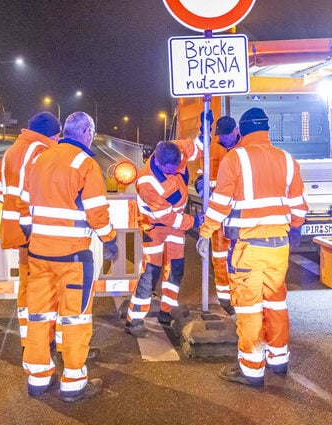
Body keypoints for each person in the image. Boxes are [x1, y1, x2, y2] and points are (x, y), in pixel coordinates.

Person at [197, 107, 308, 388]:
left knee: (248, 308)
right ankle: (279, 359)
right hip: (279, 247)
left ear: (242, 131)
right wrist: (294, 227)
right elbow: (299, 206)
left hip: (248, 246)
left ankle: (251, 369)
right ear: (267, 129)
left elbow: (221, 203)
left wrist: (205, 231)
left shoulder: (235, 158)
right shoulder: (287, 159)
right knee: (276, 302)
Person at [19, 111, 118, 402]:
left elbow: (26, 206)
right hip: (73, 257)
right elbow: (97, 213)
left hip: (39, 255)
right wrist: (110, 241)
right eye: (92, 132)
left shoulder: (40, 159)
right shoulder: (85, 164)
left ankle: (38, 378)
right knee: (74, 318)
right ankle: (73, 383)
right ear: (87, 132)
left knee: (39, 316)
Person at [126, 121, 205, 337]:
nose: (178, 170)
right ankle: (134, 320)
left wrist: (204, 131)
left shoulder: (175, 150)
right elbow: (165, 217)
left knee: (176, 268)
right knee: (151, 272)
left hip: (175, 225)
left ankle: (165, 312)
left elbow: (197, 147)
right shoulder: (147, 182)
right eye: (172, 169)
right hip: (155, 227)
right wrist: (194, 222)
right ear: (159, 164)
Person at [0, 111, 61, 347]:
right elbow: (48, 191)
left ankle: (28, 339)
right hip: (36, 228)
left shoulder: (15, 149)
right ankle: (46, 341)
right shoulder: (41, 151)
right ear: (51, 134)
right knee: (46, 286)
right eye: (57, 135)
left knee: (27, 283)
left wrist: (9, 201)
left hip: (18, 228)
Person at [194, 114, 241, 315]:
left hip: (240, 215)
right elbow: (200, 175)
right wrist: (202, 187)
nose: (223, 140)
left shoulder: (243, 151)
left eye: (226, 136)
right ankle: (225, 300)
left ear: (236, 131)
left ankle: (241, 295)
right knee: (219, 257)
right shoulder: (212, 147)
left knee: (240, 259)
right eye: (220, 136)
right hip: (218, 214)